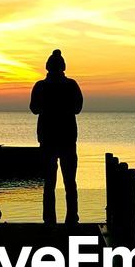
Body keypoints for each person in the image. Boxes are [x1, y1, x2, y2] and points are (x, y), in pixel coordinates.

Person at [29, 50, 83, 225]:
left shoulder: (40, 86)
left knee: (49, 184)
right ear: (63, 67)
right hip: (67, 138)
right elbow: (77, 108)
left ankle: (49, 220)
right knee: (70, 183)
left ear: (47, 67)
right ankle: (72, 219)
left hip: (48, 139)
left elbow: (34, 109)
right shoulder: (71, 85)